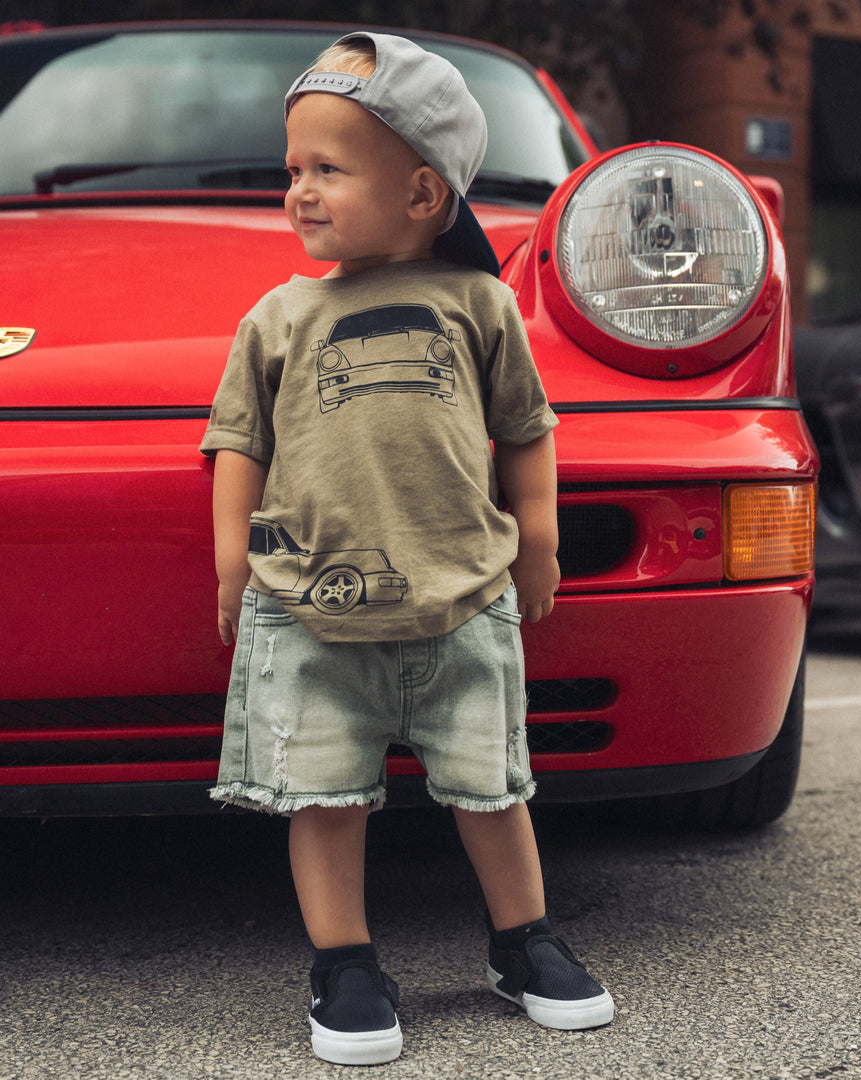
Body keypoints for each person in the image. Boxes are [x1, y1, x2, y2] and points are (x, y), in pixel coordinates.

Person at [199, 31, 613, 1066]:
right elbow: (237, 445)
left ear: (424, 192)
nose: (298, 192)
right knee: (325, 796)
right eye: (292, 170)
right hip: (308, 610)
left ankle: (523, 943)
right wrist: (229, 566)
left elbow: (525, 428)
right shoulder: (277, 317)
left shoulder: (481, 305)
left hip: (464, 600)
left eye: (327, 170)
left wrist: (542, 541)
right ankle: (344, 963)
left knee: (493, 785)